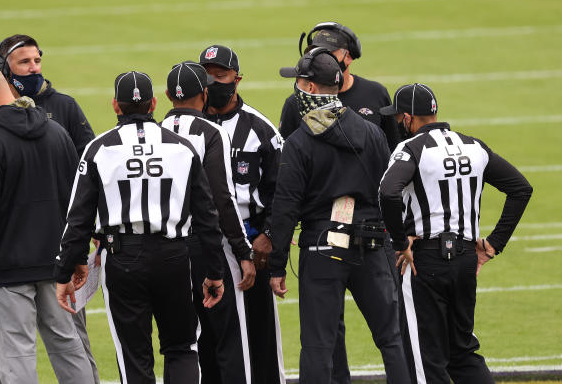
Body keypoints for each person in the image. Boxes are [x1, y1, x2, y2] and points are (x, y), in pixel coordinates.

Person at [0, 34, 99, 384]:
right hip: (54, 263)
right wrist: (76, 255)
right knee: (70, 350)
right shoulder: (57, 132)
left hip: (6, 271)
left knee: (16, 358)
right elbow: (76, 202)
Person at [54, 71, 225, 384]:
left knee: (133, 355)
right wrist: (214, 271)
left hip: (123, 257)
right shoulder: (181, 148)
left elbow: (77, 219)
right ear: (154, 103)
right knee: (182, 347)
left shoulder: (98, 149)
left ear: (116, 106)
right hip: (174, 255)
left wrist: (66, 270)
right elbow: (207, 216)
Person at [269, 49, 411, 384]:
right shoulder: (373, 133)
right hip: (373, 243)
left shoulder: (300, 140)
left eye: (301, 82)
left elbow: (285, 205)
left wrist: (277, 265)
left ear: (314, 88)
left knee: (318, 346)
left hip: (323, 248)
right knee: (392, 339)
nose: (298, 88)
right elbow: (388, 192)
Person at [378, 83, 533, 384]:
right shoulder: (474, 146)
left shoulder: (410, 149)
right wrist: (492, 244)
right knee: (462, 352)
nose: (398, 124)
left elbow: (388, 191)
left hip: (425, 260)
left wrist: (400, 241)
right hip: (464, 260)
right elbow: (520, 189)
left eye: (399, 118)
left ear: (408, 118)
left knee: (426, 357)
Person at [161, 61, 255, 384]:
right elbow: (221, 199)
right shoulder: (211, 132)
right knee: (230, 341)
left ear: (167, 96)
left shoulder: (155, 131)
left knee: (180, 344)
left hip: (166, 250)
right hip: (206, 249)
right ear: (204, 93)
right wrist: (243, 251)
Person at [200, 45, 286, 384]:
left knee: (258, 335)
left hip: (250, 243)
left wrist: (269, 237)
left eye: (219, 76)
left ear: (237, 79)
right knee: (205, 336)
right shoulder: (186, 124)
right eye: (206, 76)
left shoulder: (261, 129)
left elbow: (283, 190)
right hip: (203, 244)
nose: (212, 82)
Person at [279, 21, 399, 151]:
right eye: (316, 52)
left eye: (328, 53)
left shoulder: (377, 94)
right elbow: (284, 155)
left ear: (348, 56)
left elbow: (392, 148)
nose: (321, 57)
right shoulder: (295, 103)